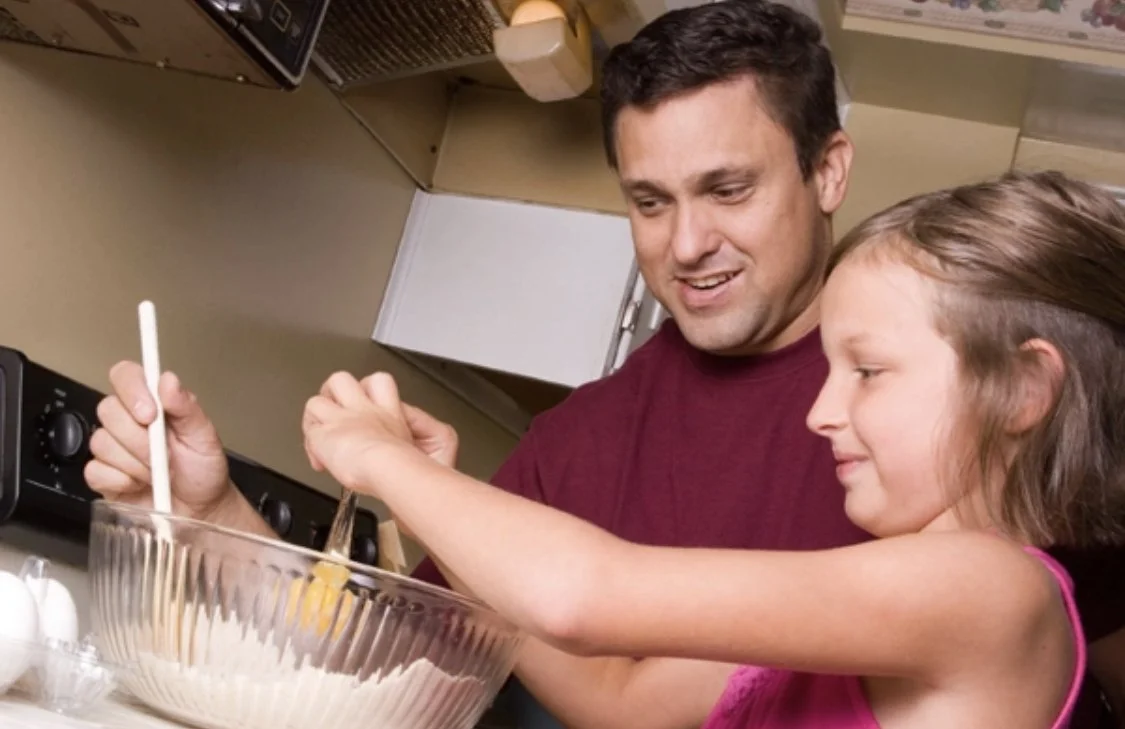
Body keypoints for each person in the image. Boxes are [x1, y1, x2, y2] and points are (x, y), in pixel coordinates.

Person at [83, 1, 1124, 726]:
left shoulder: (982, 560)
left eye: (727, 188)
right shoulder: (576, 444)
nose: (686, 244)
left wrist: (384, 462)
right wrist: (206, 514)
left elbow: (584, 595)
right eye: (649, 201)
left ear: (826, 170)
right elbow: (450, 670)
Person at [298, 169, 1125, 728]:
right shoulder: (882, 597)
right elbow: (614, 695)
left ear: (1022, 389)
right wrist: (447, 520)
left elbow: (585, 596)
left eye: (867, 370)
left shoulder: (988, 591)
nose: (820, 411)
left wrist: (380, 459)